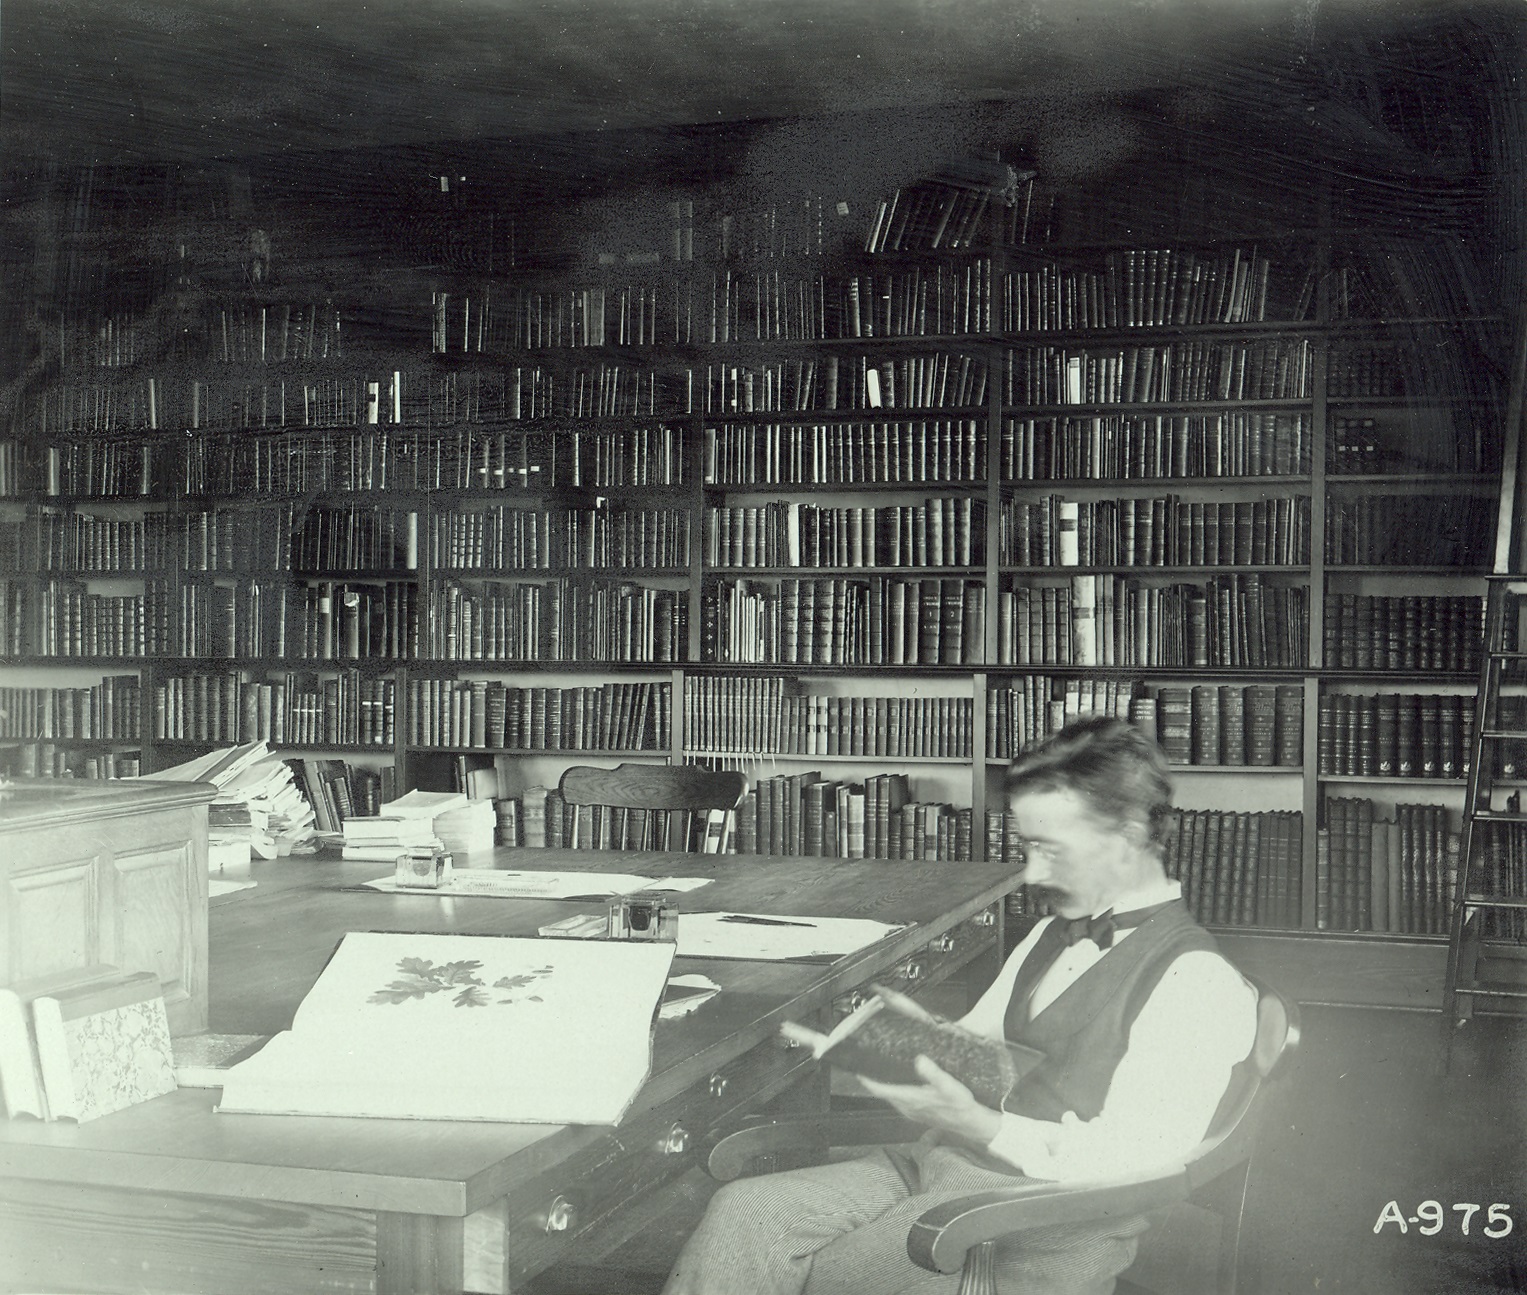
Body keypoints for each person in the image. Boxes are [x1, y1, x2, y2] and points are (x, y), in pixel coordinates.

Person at [662, 716, 1259, 1295]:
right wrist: (913, 1037)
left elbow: (1132, 1162)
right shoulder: (1053, 934)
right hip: (938, 1170)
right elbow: (983, 1051)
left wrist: (976, 1122)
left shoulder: (1196, 983)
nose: (1033, 872)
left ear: (1127, 837)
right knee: (745, 1213)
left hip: (1044, 1219)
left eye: (1052, 850)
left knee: (815, 1274)